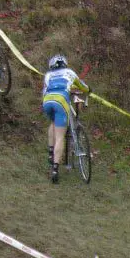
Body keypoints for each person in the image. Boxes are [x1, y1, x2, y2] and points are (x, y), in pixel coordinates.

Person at [41, 54, 91, 184]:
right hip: (61, 101)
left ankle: (51, 153)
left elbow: (44, 91)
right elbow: (82, 86)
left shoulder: (48, 75)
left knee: (53, 123)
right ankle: (55, 169)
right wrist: (88, 90)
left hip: (47, 101)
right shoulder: (69, 72)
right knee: (60, 137)